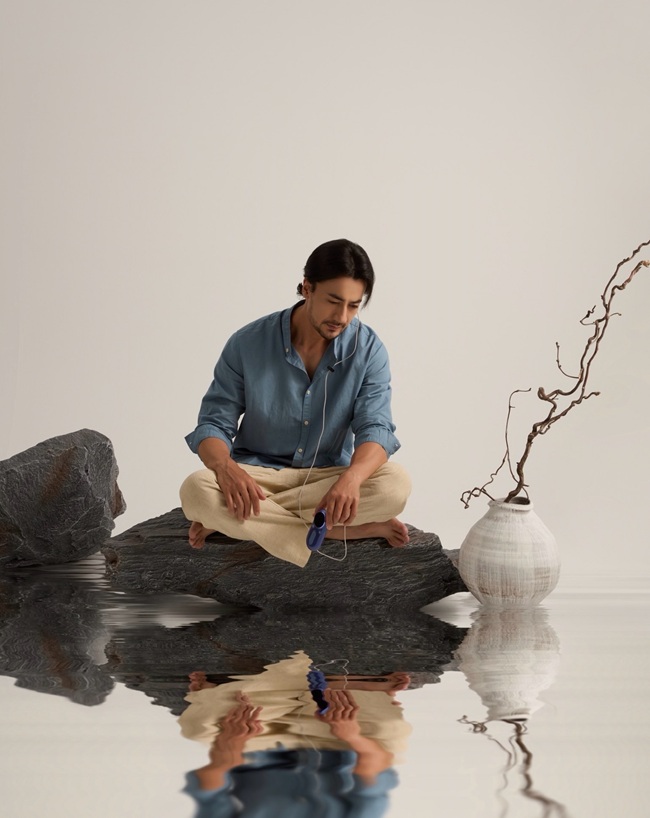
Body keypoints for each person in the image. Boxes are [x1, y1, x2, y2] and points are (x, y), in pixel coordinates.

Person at [180, 238, 411, 567]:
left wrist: (352, 479)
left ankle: (236, 523)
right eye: (333, 301)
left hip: (327, 480)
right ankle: (342, 530)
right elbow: (214, 424)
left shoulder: (369, 350)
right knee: (196, 490)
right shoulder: (247, 343)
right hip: (258, 478)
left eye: (353, 305)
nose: (342, 316)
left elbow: (375, 427)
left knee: (395, 485)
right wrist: (226, 470)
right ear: (307, 287)